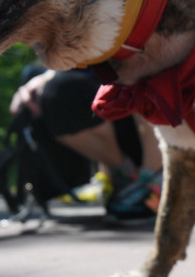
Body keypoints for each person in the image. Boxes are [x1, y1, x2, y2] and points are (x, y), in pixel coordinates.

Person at [10, 68, 163, 223]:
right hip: (116, 107)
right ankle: (123, 175)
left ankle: (153, 180)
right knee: (52, 83)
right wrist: (45, 77)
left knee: (144, 75)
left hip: (156, 117)